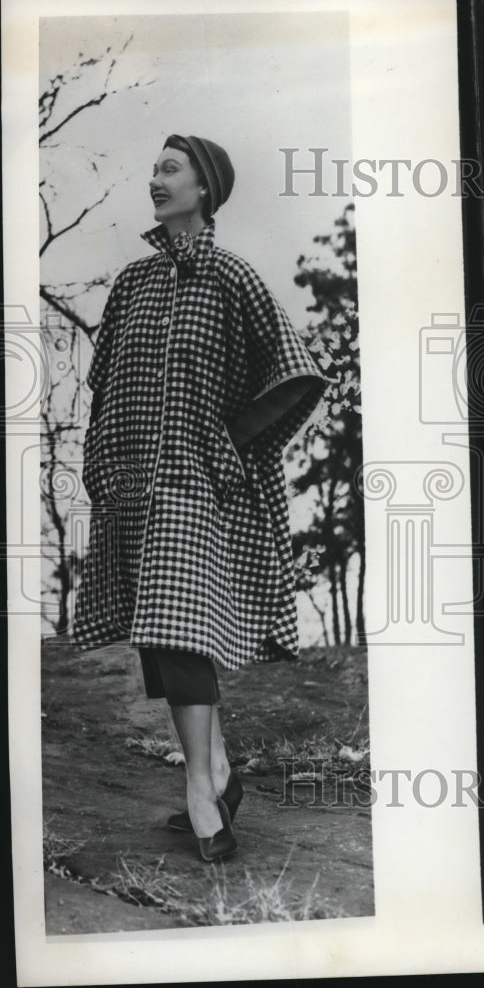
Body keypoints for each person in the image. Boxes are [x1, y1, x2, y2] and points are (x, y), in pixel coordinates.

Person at [72, 134, 326, 862]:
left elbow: (295, 368)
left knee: (180, 627)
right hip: (130, 477)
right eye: (153, 167)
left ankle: (197, 789)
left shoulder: (233, 279)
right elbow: (106, 384)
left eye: (171, 169)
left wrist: (232, 443)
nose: (155, 179)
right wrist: (100, 462)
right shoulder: (133, 283)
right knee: (158, 627)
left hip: (197, 481)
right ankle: (216, 765)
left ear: (205, 187)